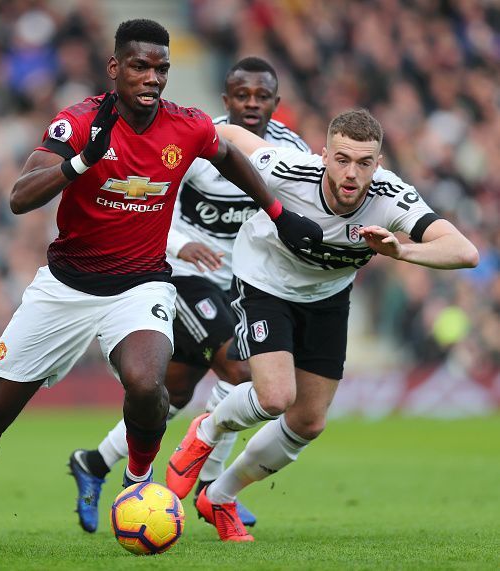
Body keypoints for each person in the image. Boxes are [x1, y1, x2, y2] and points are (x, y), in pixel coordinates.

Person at [0, 19, 323, 551]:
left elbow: (230, 157)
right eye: (140, 66)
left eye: (161, 69)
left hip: (142, 285)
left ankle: (136, 484)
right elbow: (20, 197)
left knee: (146, 382)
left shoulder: (188, 126)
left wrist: (278, 212)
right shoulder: (78, 122)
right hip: (65, 287)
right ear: (115, 68)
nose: (152, 78)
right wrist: (82, 160)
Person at [166, 109, 479, 542]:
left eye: (364, 163)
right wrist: (176, 128)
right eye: (342, 159)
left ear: (379, 163)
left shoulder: (391, 195)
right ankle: (206, 429)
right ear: (324, 155)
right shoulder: (289, 170)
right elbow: (231, 134)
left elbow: (464, 252)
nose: (352, 174)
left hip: (328, 297)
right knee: (276, 397)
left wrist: (401, 251)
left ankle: (220, 496)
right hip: (266, 282)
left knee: (308, 422)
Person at [68, 56, 311, 533]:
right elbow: (151, 201)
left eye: (262, 97)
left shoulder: (290, 150)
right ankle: (210, 489)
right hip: (182, 274)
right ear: (227, 99)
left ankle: (93, 463)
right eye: (242, 95)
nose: (252, 104)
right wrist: (183, 244)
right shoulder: (200, 140)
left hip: (242, 285)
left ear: (276, 104)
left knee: (174, 392)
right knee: (241, 371)